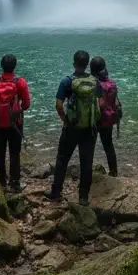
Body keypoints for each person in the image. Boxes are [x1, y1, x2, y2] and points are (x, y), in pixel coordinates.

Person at [46, 50, 102, 206]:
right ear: (87, 64)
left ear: (74, 63)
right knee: (87, 162)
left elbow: (59, 105)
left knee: (62, 159)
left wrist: (65, 119)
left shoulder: (67, 81)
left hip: (72, 127)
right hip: (89, 128)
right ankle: (83, 197)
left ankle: (56, 192)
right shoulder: (95, 81)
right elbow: (100, 103)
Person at [0, 54, 31, 193]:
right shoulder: (20, 82)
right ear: (14, 66)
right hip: (15, 124)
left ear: (2, 66)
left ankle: (0, 182)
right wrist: (17, 109)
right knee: (15, 153)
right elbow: (26, 104)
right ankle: (15, 183)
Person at [90, 56, 121, 178]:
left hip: (96, 119)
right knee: (108, 146)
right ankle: (114, 172)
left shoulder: (94, 84)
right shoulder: (112, 84)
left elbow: (100, 104)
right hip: (109, 118)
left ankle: (87, 172)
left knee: (90, 146)